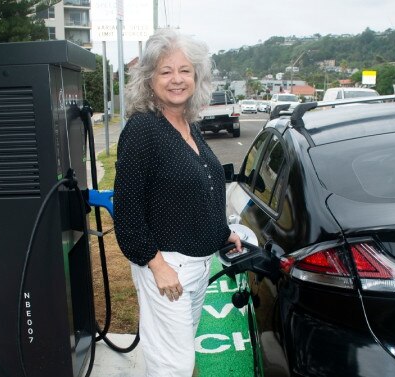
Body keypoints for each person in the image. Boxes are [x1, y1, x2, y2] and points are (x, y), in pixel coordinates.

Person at [113, 28, 242, 377]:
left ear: (196, 76)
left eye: (184, 70)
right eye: (165, 71)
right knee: (174, 365)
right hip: (167, 267)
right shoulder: (143, 130)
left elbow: (200, 189)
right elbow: (126, 210)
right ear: (150, 79)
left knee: (178, 356)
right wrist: (157, 265)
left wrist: (223, 232)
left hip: (198, 266)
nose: (176, 79)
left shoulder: (187, 124)